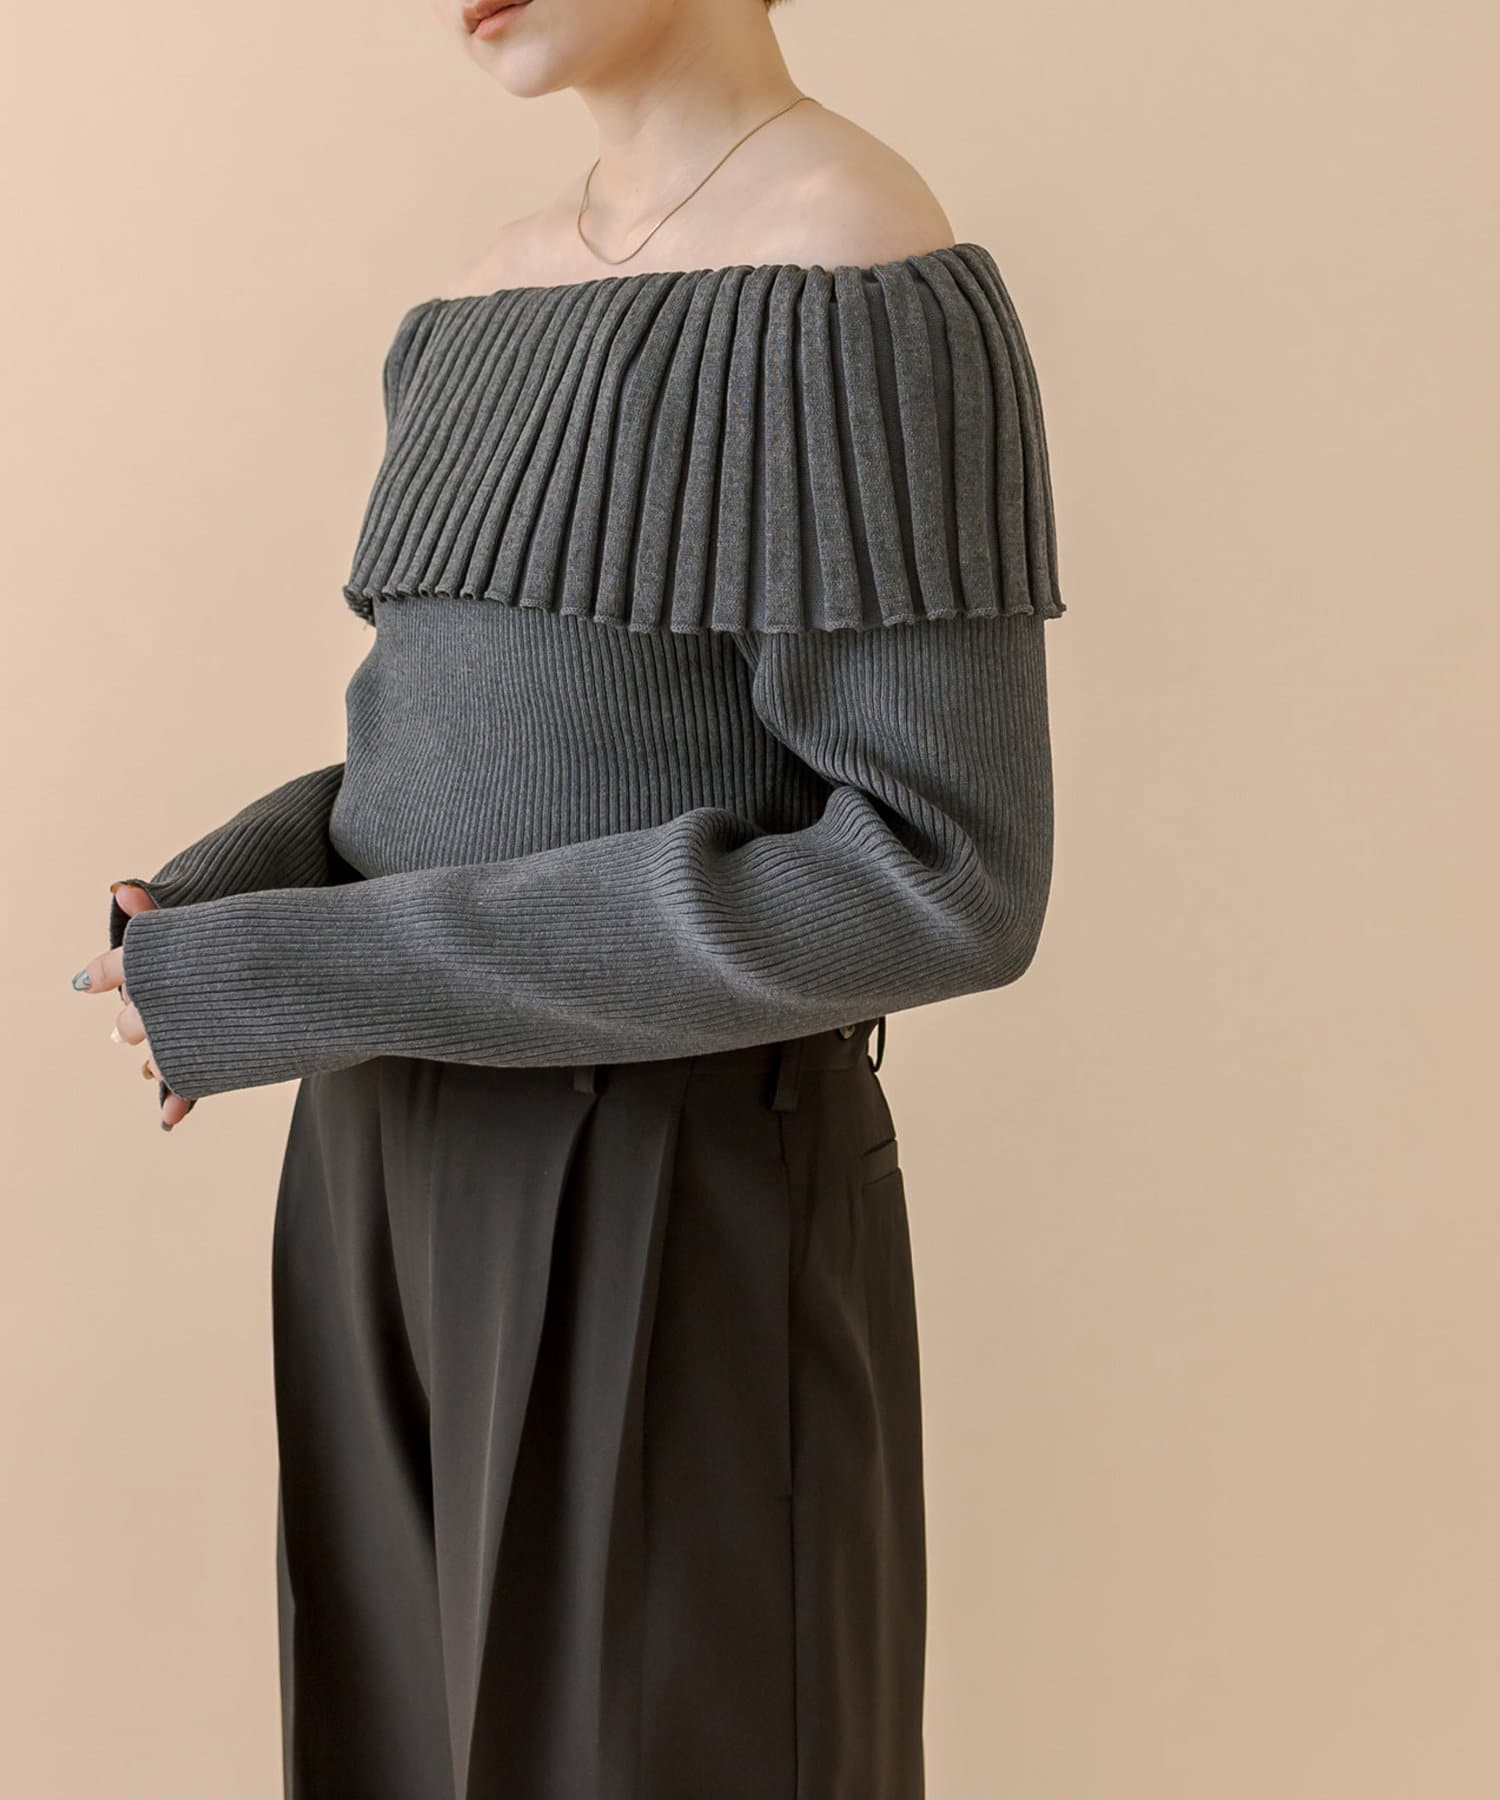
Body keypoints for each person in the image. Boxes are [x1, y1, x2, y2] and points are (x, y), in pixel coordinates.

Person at [70, 0, 1068, 1792]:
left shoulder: (857, 268)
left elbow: (947, 875)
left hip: (666, 1190)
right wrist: (219, 910)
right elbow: (434, 773)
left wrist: (321, 966)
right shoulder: (474, 306)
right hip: (372, 1171)